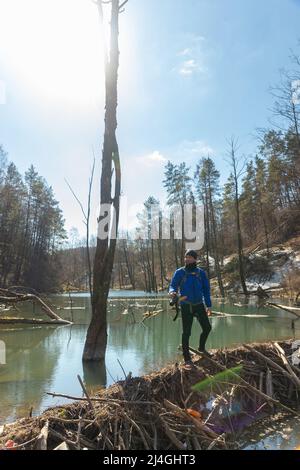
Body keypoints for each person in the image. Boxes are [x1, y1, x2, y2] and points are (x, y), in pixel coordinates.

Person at [169, 249, 212, 367]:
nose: (186, 259)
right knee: (186, 333)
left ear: (195, 259)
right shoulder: (179, 272)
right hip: (186, 305)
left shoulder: (201, 273)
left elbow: (206, 290)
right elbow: (173, 285)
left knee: (207, 328)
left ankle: (201, 348)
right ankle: (187, 359)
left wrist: (208, 305)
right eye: (185, 257)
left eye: (189, 257)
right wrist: (172, 292)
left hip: (199, 305)